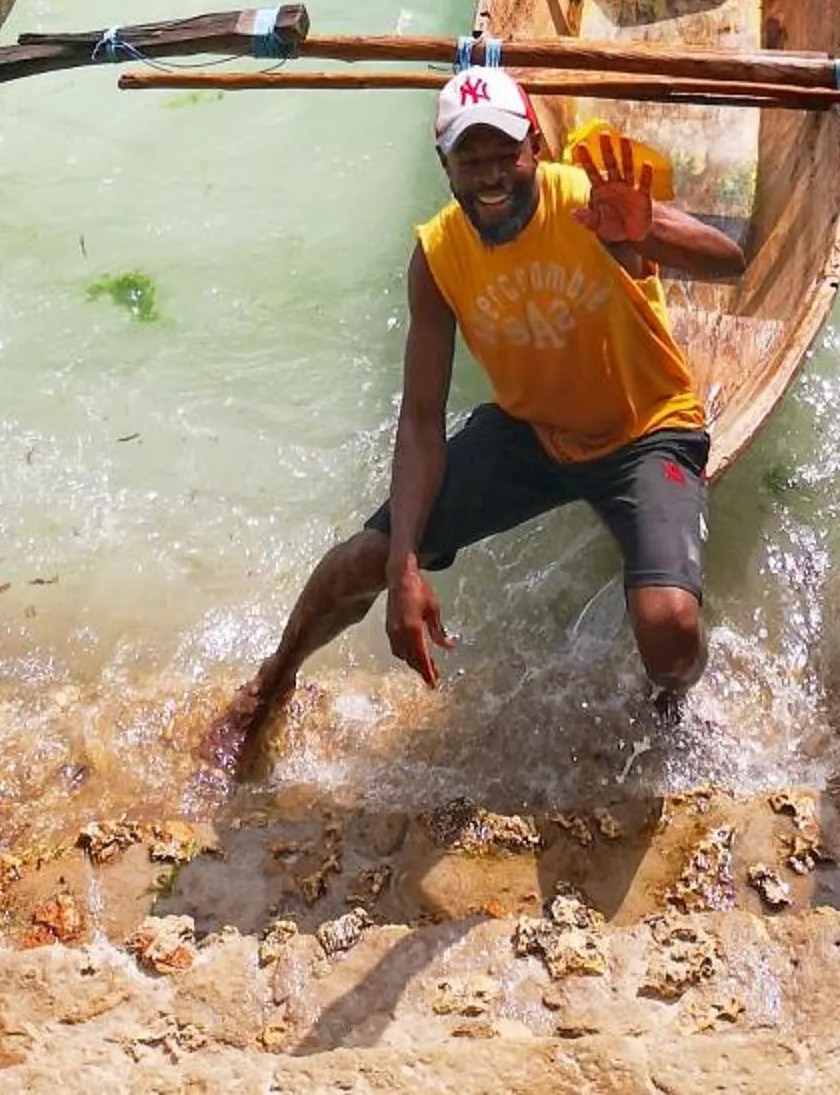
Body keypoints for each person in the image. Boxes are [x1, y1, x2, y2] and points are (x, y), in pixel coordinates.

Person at [218, 64, 745, 767]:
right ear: (446, 166)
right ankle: (270, 684)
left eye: (506, 154)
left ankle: (671, 710)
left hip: (646, 428)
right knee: (365, 562)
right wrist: (405, 564)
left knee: (670, 627)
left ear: (535, 150)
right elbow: (422, 421)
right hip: (530, 433)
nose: (492, 175)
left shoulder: (586, 200)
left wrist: (647, 233)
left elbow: (730, 261)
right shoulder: (438, 257)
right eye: (472, 157)